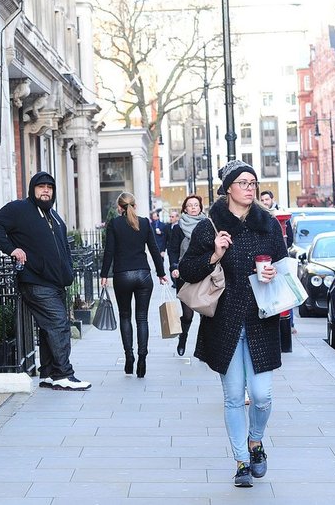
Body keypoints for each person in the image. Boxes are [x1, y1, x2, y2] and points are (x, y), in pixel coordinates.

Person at [178, 160, 287, 488]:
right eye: (243, 182)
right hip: (224, 323)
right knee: (233, 398)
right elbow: (187, 271)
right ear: (228, 188)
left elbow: (284, 266)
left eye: (253, 182)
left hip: (260, 320)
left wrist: (272, 273)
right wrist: (214, 254)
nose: (251, 188)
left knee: (262, 395)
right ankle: (241, 461)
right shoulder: (209, 227)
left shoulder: (267, 223)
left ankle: (256, 442)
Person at [0, 172, 91, 391]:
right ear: (33, 189)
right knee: (59, 325)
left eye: (49, 188)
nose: (46, 191)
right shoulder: (19, 209)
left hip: (56, 283)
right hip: (35, 281)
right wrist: (11, 249)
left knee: (48, 329)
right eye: (41, 187)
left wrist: (68, 271)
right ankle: (64, 374)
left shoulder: (53, 215)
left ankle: (49, 374)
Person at [100, 193, 168, 378]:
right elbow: (154, 249)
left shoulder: (114, 224)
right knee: (142, 319)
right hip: (143, 275)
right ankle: (142, 358)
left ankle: (129, 357)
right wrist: (161, 273)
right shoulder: (145, 222)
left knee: (125, 317)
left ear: (119, 207)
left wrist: (104, 274)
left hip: (123, 275)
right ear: (135, 205)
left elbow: (109, 252)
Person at [167, 194, 206, 356]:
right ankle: (183, 338)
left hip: (204, 273)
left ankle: (204, 347)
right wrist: (174, 267)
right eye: (190, 205)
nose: (193, 207)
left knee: (206, 313)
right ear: (185, 209)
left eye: (196, 205)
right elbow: (173, 249)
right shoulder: (178, 228)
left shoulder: (206, 225)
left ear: (200, 208)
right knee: (188, 315)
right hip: (185, 274)